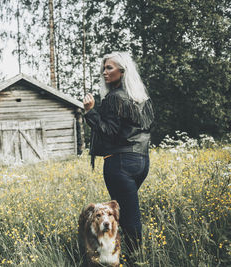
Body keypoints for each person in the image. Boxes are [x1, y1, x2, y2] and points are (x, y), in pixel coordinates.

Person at [83, 51, 154, 263]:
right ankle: (126, 255)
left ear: (122, 71)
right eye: (104, 68)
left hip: (119, 163)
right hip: (141, 161)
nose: (104, 72)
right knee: (128, 212)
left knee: (129, 219)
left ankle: (134, 259)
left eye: (110, 68)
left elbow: (108, 131)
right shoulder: (141, 98)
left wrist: (90, 112)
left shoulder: (114, 98)